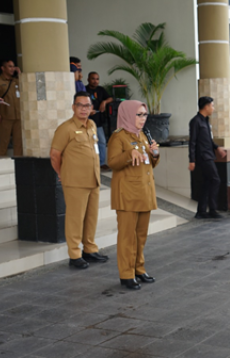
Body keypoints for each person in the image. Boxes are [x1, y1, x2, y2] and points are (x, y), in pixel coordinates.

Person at [50, 91, 109, 269]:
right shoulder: (65, 128)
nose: (84, 109)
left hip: (93, 179)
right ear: (73, 107)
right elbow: (54, 155)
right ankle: (74, 254)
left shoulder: (91, 125)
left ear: (91, 108)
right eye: (80, 105)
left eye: (87, 105)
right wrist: (61, 173)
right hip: (75, 182)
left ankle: (89, 249)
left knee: (91, 217)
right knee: (75, 219)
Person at [108, 100, 159, 290]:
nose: (142, 119)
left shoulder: (143, 136)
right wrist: (129, 154)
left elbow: (148, 164)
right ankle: (126, 274)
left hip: (144, 193)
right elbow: (112, 162)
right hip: (127, 195)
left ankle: (139, 269)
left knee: (141, 236)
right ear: (128, 115)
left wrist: (154, 154)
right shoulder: (118, 137)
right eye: (139, 114)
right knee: (127, 237)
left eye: (144, 115)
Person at [188, 96, 226, 219]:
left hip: (209, 154)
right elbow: (192, 142)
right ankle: (213, 209)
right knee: (215, 180)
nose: (213, 108)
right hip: (203, 157)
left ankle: (201, 211)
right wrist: (192, 160)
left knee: (206, 182)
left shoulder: (205, 121)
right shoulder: (195, 121)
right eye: (212, 106)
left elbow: (208, 140)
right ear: (206, 106)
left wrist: (217, 147)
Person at [0, 59, 23, 157]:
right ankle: (2, 160)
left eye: (13, 66)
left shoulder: (16, 81)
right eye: (10, 66)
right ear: (3, 68)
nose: (12, 68)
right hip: (5, 116)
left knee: (19, 142)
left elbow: (27, 88)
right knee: (4, 141)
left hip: (18, 116)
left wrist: (20, 74)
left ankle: (18, 161)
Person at [86, 71, 114, 170]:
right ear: (88, 79)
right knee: (88, 142)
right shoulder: (84, 90)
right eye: (93, 78)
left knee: (101, 141)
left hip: (98, 121)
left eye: (97, 79)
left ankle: (101, 163)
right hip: (87, 120)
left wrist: (104, 101)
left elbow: (111, 98)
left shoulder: (101, 90)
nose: (95, 81)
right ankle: (89, 164)